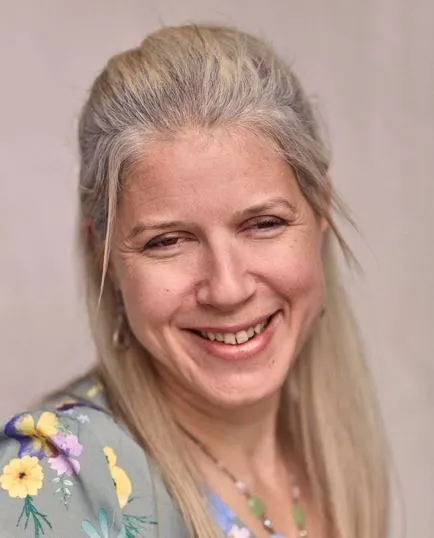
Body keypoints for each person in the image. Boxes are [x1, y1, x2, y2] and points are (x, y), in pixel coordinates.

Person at [0, 24, 389, 538]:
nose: (227, 289)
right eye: (167, 241)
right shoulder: (56, 480)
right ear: (104, 255)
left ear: (319, 214)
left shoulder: (325, 456)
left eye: (263, 224)